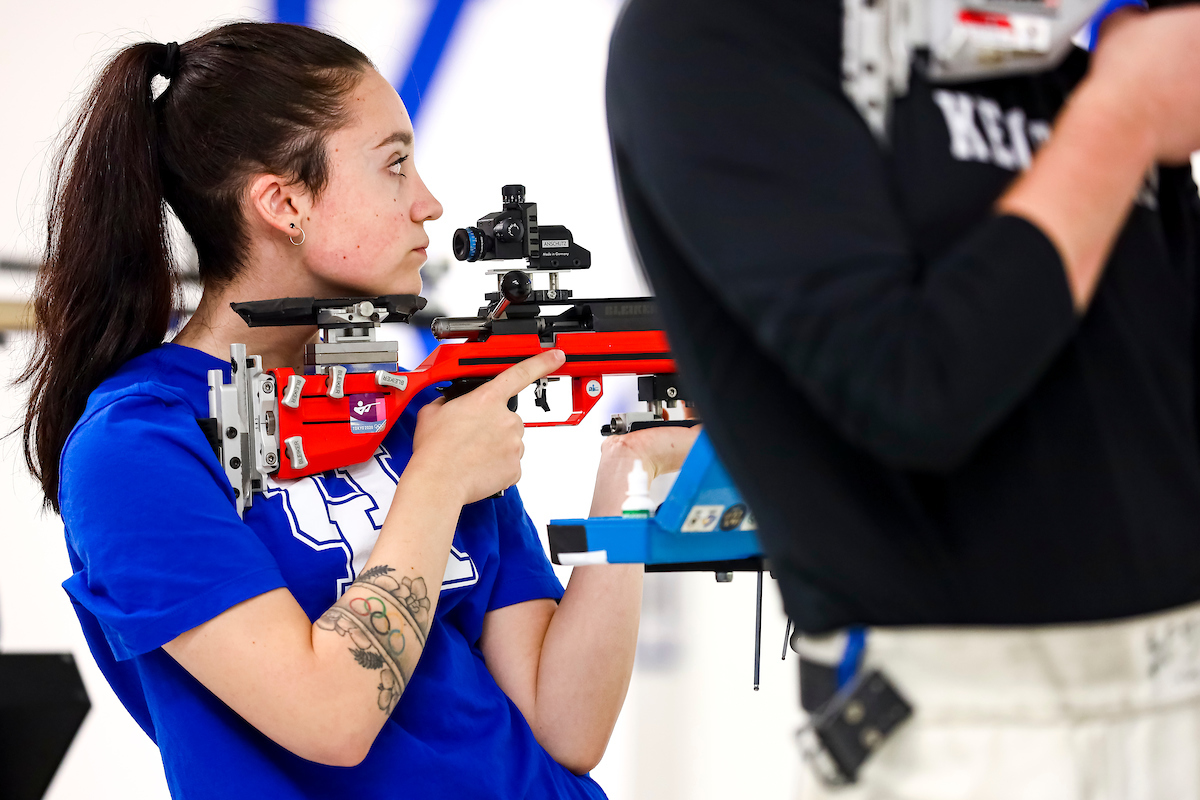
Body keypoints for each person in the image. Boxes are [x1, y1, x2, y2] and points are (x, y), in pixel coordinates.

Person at [20, 22, 695, 799]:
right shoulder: (137, 448)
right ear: (284, 201)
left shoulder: (406, 407)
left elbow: (564, 726)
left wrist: (630, 471)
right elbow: (330, 718)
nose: (429, 204)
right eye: (395, 166)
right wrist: (436, 481)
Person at [606, 0, 1200, 796]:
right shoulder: (710, 32)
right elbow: (913, 390)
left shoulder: (1052, 46)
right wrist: (1122, 118)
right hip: (978, 734)